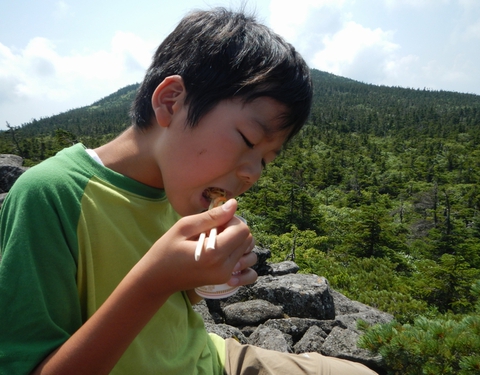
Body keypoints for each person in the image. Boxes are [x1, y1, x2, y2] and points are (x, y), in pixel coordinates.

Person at [0, 7, 377, 375]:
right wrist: (155, 281)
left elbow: (176, 309)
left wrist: (206, 276)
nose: (251, 174)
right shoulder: (51, 195)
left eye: (266, 160)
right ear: (171, 102)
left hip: (213, 358)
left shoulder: (181, 190)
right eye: (247, 140)